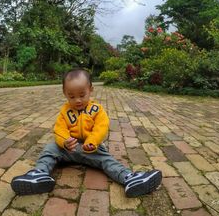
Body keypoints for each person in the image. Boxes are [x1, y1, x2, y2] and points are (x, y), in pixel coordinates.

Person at [11, 68, 162, 197]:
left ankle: (129, 178)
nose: (77, 100)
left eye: (82, 95)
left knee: (107, 160)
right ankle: (39, 174)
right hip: (69, 148)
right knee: (49, 149)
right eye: (71, 96)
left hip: (91, 149)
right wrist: (64, 140)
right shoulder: (65, 111)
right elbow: (59, 129)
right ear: (65, 93)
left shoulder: (97, 109)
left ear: (91, 89)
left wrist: (92, 142)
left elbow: (101, 127)